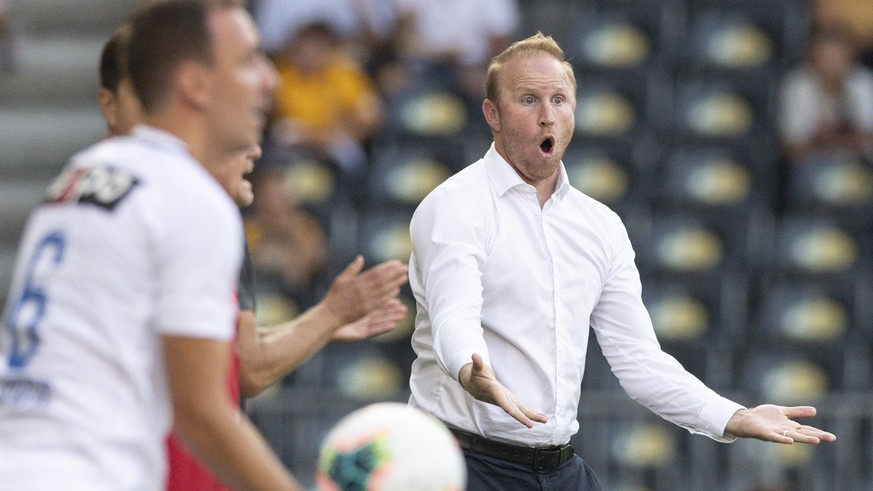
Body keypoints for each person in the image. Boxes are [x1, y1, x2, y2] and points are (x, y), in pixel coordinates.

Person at [406, 32, 837, 491]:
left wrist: (733, 415)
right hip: (458, 463)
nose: (547, 115)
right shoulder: (455, 205)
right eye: (528, 99)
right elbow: (456, 317)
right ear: (493, 113)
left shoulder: (601, 225)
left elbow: (639, 361)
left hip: (559, 470)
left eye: (559, 99)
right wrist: (474, 373)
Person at [95, 21, 409, 491]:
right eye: (238, 135)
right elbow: (241, 374)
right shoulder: (192, 213)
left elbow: (215, 356)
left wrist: (316, 327)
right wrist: (327, 316)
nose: (255, 152)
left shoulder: (91, 194)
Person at [778, 24, 873, 165]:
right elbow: (793, 148)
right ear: (812, 59)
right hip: (811, 165)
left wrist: (833, 137)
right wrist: (824, 139)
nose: (831, 65)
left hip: (859, 163)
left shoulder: (863, 82)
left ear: (849, 57)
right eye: (824, 58)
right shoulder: (797, 85)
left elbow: (867, 138)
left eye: (837, 57)